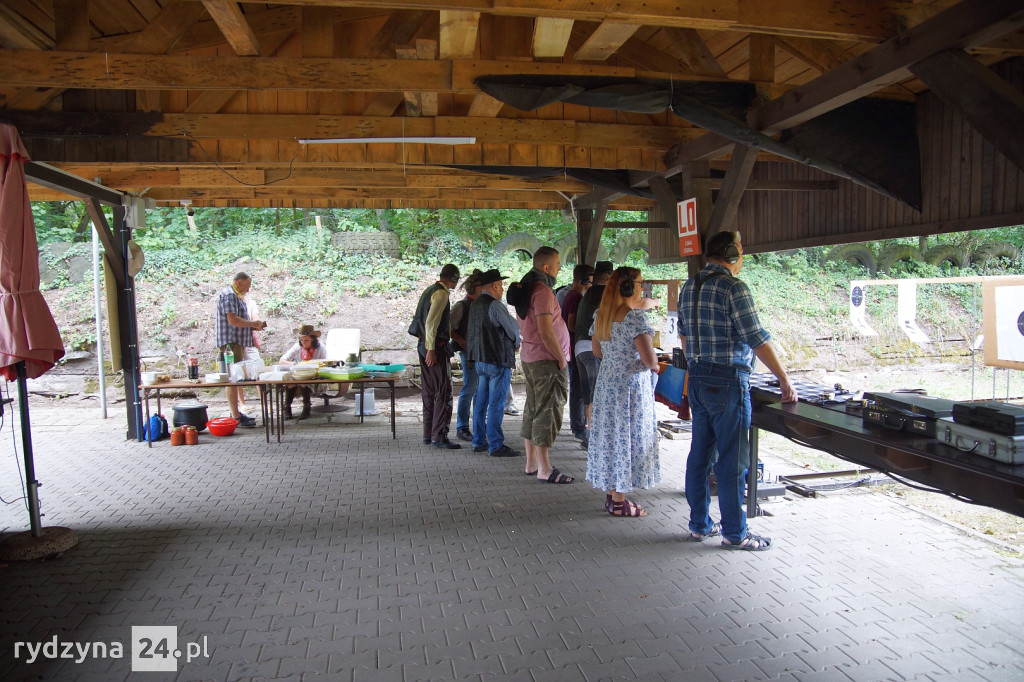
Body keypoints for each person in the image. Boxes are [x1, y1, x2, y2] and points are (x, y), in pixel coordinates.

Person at [678, 230, 796, 551]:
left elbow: (685, 337)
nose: (742, 255)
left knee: (700, 457)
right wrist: (784, 379)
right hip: (728, 382)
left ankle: (700, 525)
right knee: (732, 462)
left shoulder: (689, 286)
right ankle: (735, 532)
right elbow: (756, 338)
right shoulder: (734, 287)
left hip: (699, 377)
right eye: (741, 249)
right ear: (731, 253)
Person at [586, 267, 661, 516]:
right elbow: (650, 360)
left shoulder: (601, 315)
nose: (643, 287)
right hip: (630, 388)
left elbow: (597, 351)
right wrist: (656, 366)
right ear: (630, 287)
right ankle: (619, 500)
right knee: (627, 438)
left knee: (611, 437)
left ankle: (611, 494)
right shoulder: (635, 318)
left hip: (607, 384)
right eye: (641, 282)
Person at [512, 246, 574, 483]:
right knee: (548, 413)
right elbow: (546, 331)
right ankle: (545, 469)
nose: (560, 268)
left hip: (531, 357)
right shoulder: (543, 291)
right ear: (546, 267)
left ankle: (532, 463)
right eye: (558, 263)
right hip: (546, 360)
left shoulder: (526, 288)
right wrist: (560, 358)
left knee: (533, 410)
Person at [467, 269, 521, 457]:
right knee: (496, 404)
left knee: (480, 403)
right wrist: (517, 342)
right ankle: (496, 445)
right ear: (496, 286)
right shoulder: (495, 305)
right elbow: (512, 328)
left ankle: (478, 441)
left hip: (480, 360)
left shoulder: (474, 305)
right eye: (502, 285)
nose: (502, 289)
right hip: (497, 359)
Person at [408, 264, 462, 449]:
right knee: (443, 392)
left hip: (424, 345)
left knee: (429, 391)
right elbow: (431, 323)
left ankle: (428, 433)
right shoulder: (442, 294)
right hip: (434, 348)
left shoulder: (430, 290)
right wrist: (431, 349)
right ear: (453, 278)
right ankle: (439, 436)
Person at [215, 272, 267, 427]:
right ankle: (236, 416)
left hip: (237, 342)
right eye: (247, 286)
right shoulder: (229, 295)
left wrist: (255, 324)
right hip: (231, 342)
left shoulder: (236, 296)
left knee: (236, 377)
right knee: (232, 378)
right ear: (238, 282)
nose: (249, 290)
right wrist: (253, 324)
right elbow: (233, 319)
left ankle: (236, 413)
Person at [574, 260, 613, 449]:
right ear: (608, 277)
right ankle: (592, 439)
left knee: (588, 394)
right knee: (594, 396)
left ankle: (590, 435)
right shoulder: (606, 295)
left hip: (580, 347)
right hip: (591, 348)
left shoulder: (588, 292)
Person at [560, 263, 594, 442]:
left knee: (578, 388)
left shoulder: (572, 295)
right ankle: (578, 426)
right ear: (584, 279)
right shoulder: (575, 297)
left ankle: (577, 424)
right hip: (575, 346)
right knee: (579, 389)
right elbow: (571, 323)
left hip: (573, 347)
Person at [450, 269, 483, 442]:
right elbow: (450, 329)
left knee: (478, 390)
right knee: (469, 389)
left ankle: (477, 424)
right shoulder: (461, 306)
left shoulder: (480, 304)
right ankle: (462, 426)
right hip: (469, 353)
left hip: (481, 352)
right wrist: (462, 341)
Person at [278, 325, 333, 420]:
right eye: (302, 340)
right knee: (290, 384)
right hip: (299, 374)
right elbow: (282, 360)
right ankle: (287, 408)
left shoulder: (321, 348)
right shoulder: (297, 347)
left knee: (304, 383)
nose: (303, 342)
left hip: (315, 375)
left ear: (313, 340)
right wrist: (294, 364)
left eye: (306, 340)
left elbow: (326, 362)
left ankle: (306, 408)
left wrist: (314, 364)